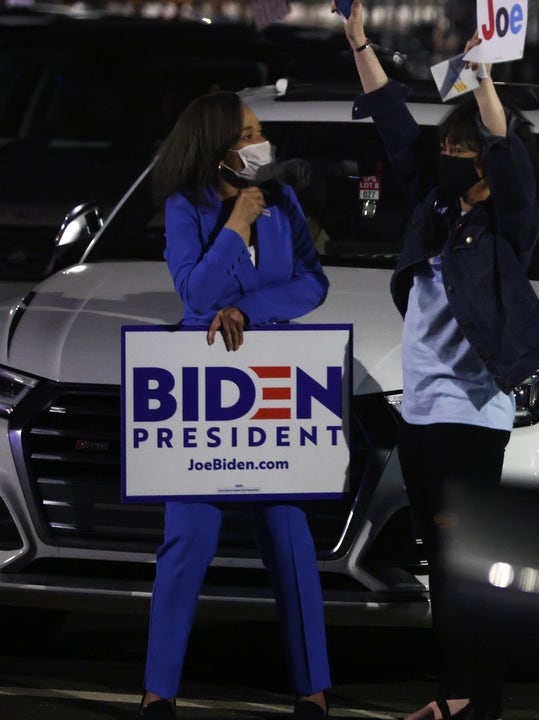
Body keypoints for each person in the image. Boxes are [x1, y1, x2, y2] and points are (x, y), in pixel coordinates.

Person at [337, 2, 539, 719]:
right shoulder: (434, 212)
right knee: (444, 570)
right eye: (450, 149)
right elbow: (393, 123)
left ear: (487, 168)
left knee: (467, 570)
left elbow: (507, 155)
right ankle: (458, 698)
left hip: (472, 416)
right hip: (422, 414)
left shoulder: (510, 226)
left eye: (463, 152)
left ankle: (473, 701)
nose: (449, 158)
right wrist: (359, 42)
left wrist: (483, 79)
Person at [140, 91, 332, 719]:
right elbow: (194, 293)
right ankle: (157, 693)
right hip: (202, 389)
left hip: (272, 382)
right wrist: (236, 225)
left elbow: (313, 280)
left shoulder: (283, 199)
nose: (259, 143)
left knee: (289, 536)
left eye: (259, 131)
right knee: (187, 540)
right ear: (216, 145)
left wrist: (249, 309)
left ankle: (313, 692)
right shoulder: (186, 206)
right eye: (247, 134)